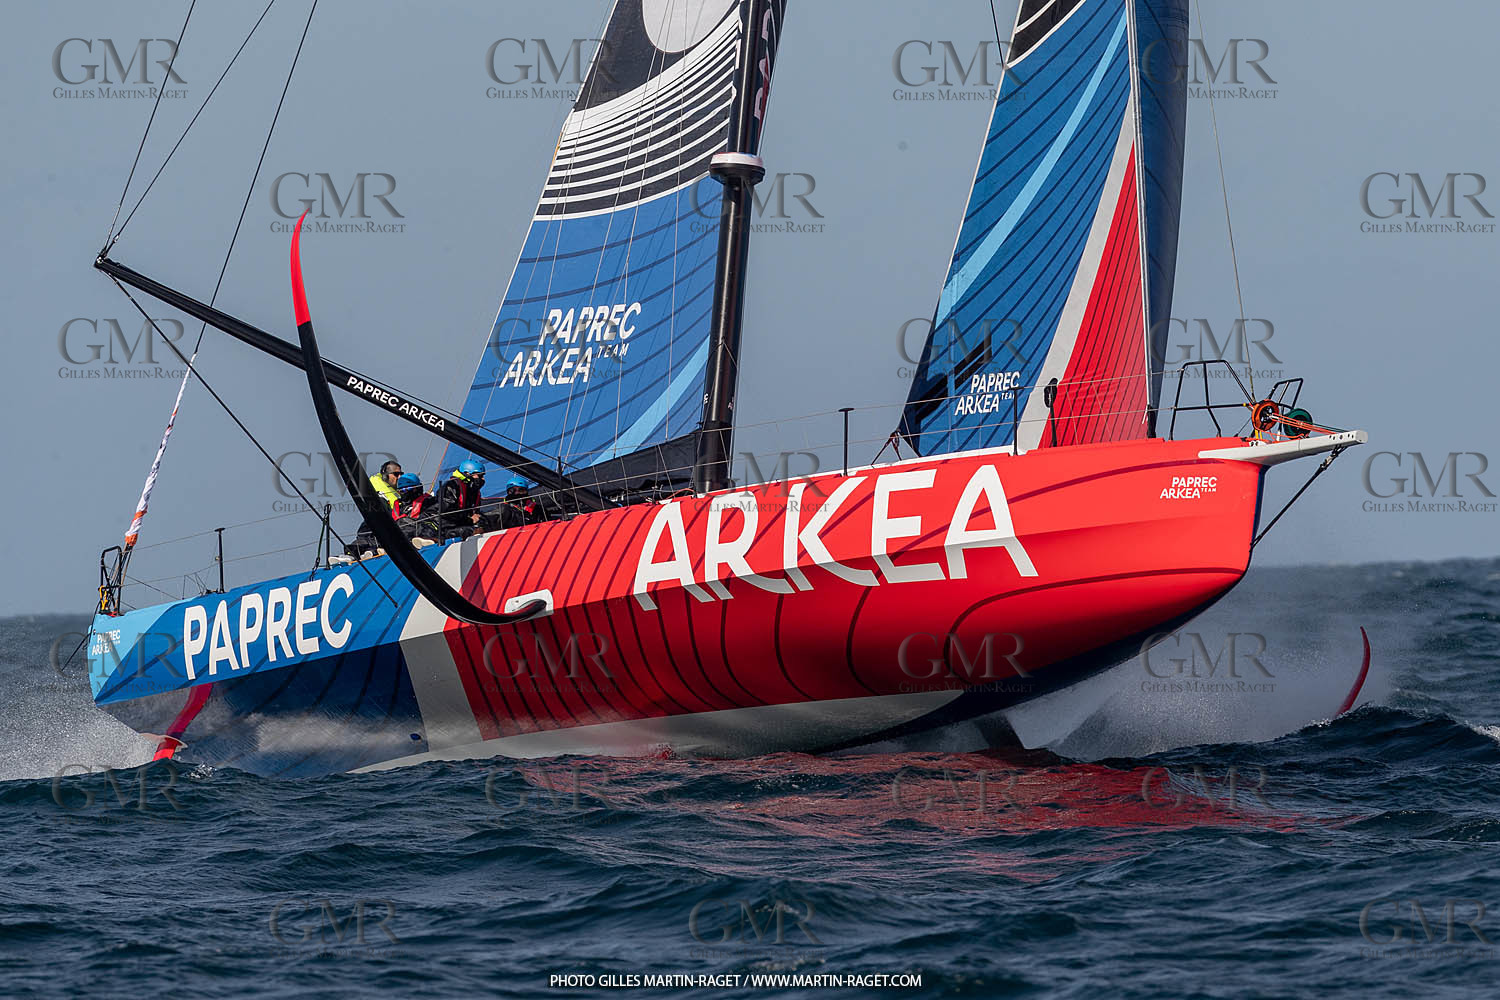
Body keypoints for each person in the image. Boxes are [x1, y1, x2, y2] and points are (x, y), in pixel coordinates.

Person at [435, 459, 488, 540]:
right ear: (467, 474)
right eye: (480, 476)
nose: (483, 479)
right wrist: (470, 520)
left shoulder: (473, 491)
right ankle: (435, 539)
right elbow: (447, 512)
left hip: (462, 524)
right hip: (446, 527)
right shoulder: (451, 486)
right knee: (472, 531)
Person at [392, 473, 436, 541]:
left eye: (407, 488)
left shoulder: (429, 501)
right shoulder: (399, 507)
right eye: (401, 490)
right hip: (400, 535)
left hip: (423, 532)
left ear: (417, 488)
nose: (404, 492)